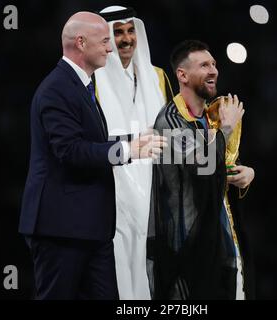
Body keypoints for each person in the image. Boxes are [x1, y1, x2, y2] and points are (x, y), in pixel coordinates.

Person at [18, 11, 166, 300]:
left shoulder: (81, 85)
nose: (110, 48)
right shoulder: (56, 89)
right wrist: (127, 150)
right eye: (104, 41)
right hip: (61, 228)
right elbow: (70, 151)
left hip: (91, 228)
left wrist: (133, 142)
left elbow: (92, 142)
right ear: (81, 43)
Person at [148, 40, 255, 299]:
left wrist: (245, 174)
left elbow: (220, 166)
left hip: (221, 246)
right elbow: (203, 166)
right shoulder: (170, 120)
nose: (213, 71)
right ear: (182, 75)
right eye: (204, 65)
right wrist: (226, 130)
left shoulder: (211, 117)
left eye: (214, 64)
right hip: (187, 256)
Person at [93, 5, 173, 300]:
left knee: (150, 271)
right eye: (117, 32)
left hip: (153, 189)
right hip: (110, 189)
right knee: (118, 270)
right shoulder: (92, 80)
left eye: (130, 31)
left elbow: (170, 132)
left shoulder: (158, 76)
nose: (126, 39)